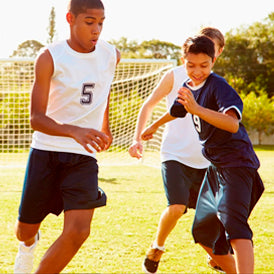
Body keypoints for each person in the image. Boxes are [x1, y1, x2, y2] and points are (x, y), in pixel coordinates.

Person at [142, 35, 264, 273]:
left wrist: (197, 109)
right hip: (216, 167)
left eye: (204, 65)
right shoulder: (187, 86)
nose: (197, 71)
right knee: (204, 232)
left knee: (234, 224)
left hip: (237, 164)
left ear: (213, 62)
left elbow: (232, 124)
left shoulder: (218, 86)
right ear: (183, 61)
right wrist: (154, 125)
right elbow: (177, 111)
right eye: (191, 65)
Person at [13, 0, 120, 273]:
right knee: (24, 231)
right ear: (70, 18)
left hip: (83, 156)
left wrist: (104, 126)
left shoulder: (111, 55)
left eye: (101, 23)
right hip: (46, 152)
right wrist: (75, 131)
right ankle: (28, 244)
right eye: (89, 22)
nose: (96, 30)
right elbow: (36, 118)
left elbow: (104, 89)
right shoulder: (50, 57)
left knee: (79, 231)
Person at [129, 27, 229, 274]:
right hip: (174, 155)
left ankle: (219, 257)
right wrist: (137, 138)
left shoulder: (217, 84)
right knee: (177, 207)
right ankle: (157, 247)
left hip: (206, 161)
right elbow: (150, 105)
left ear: (217, 53)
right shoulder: (175, 76)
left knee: (213, 217)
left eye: (212, 51)